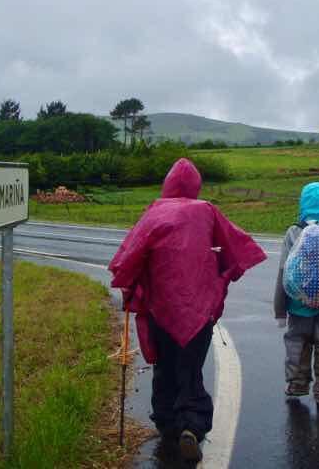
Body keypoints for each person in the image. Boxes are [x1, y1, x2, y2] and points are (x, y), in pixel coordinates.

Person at [109, 158, 266, 462]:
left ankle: (167, 423)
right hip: (198, 311)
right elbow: (236, 247)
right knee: (190, 369)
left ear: (167, 183)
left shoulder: (155, 212)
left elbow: (129, 256)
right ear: (196, 186)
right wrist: (220, 270)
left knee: (165, 366)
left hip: (161, 310)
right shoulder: (206, 211)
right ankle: (191, 426)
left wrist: (130, 288)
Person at [274, 182, 319, 411]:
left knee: (298, 345)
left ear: (303, 203)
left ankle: (297, 385)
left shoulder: (294, 232)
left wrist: (280, 311)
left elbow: (283, 272)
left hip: (299, 306)